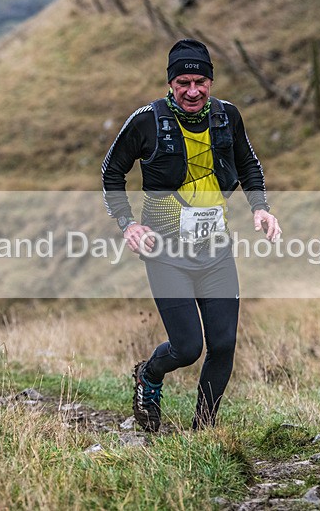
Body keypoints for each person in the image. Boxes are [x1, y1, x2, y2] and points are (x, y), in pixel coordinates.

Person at [101, 39, 281, 432]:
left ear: (211, 82)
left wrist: (261, 208)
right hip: (165, 252)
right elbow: (111, 171)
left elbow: (248, 163)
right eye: (183, 82)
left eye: (200, 81)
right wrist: (127, 223)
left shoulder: (227, 116)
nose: (193, 91)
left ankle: (203, 430)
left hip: (215, 250)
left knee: (223, 345)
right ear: (171, 83)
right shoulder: (147, 120)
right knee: (187, 348)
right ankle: (149, 375)